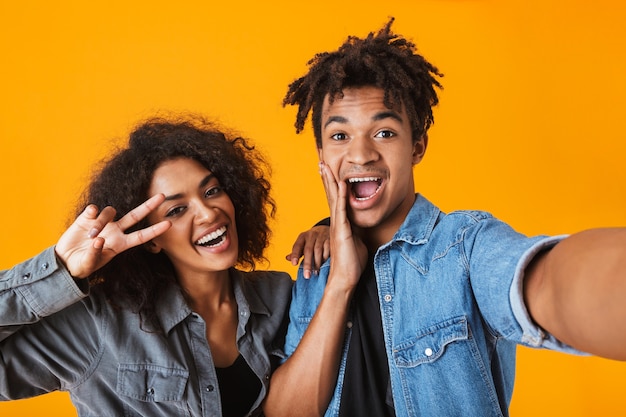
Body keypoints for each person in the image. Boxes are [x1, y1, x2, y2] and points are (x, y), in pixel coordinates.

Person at [264, 18, 626, 417]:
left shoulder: (464, 246)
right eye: (339, 136)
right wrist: (340, 283)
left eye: (384, 133)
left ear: (417, 147)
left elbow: (547, 284)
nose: (361, 153)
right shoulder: (316, 270)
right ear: (321, 156)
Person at [0, 116, 328, 416]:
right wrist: (60, 268)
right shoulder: (99, 324)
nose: (208, 213)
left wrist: (330, 228)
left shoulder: (277, 295)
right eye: (176, 210)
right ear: (150, 239)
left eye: (212, 190)